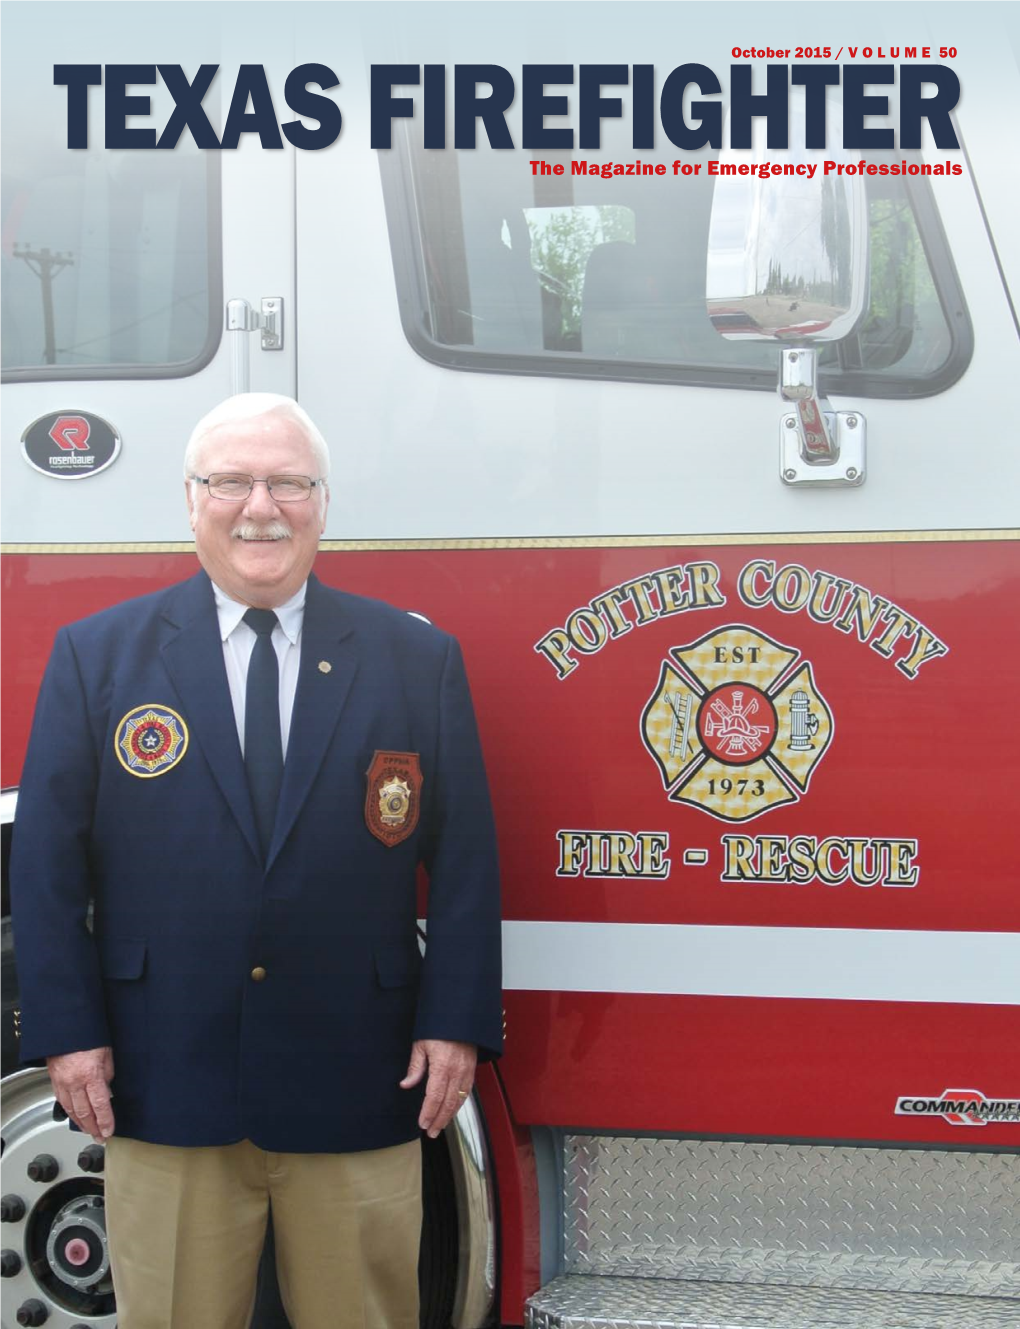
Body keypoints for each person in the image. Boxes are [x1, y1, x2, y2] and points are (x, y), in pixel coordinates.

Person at [10, 393, 503, 1329]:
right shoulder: (98, 657)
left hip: (360, 1075)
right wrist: (68, 1033)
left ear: (324, 500)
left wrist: (458, 1025)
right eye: (231, 481)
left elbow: (468, 860)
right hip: (163, 1080)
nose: (260, 506)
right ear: (190, 500)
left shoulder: (415, 658)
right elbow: (44, 865)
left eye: (288, 482)